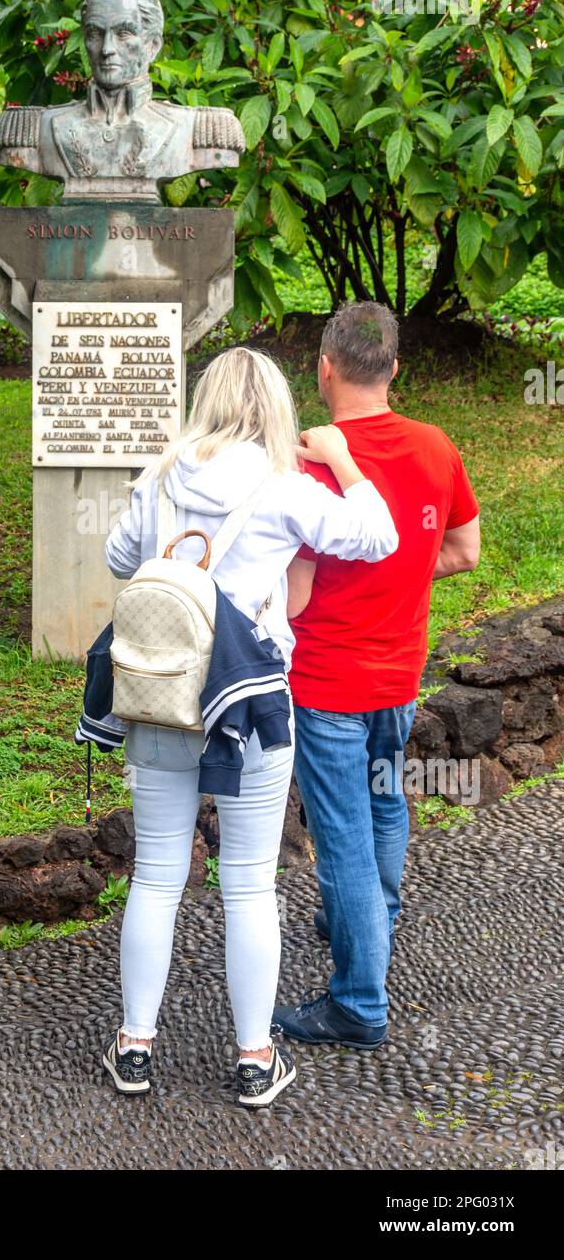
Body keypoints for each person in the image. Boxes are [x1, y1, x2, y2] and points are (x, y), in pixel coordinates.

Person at [101, 346, 400, 1106]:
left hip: (163, 698)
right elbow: (377, 536)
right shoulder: (283, 489)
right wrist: (349, 466)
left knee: (158, 875)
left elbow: (118, 559)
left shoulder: (160, 474)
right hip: (252, 703)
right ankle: (254, 1058)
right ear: (274, 408)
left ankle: (136, 1047)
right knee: (249, 885)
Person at [272, 302, 480, 1051]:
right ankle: (371, 927)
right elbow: (464, 550)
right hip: (400, 672)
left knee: (343, 838)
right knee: (387, 804)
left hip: (326, 681)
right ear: (393, 368)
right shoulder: (435, 446)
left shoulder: (306, 460)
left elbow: (290, 579)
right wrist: (401, 577)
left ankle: (358, 1001)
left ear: (323, 367)